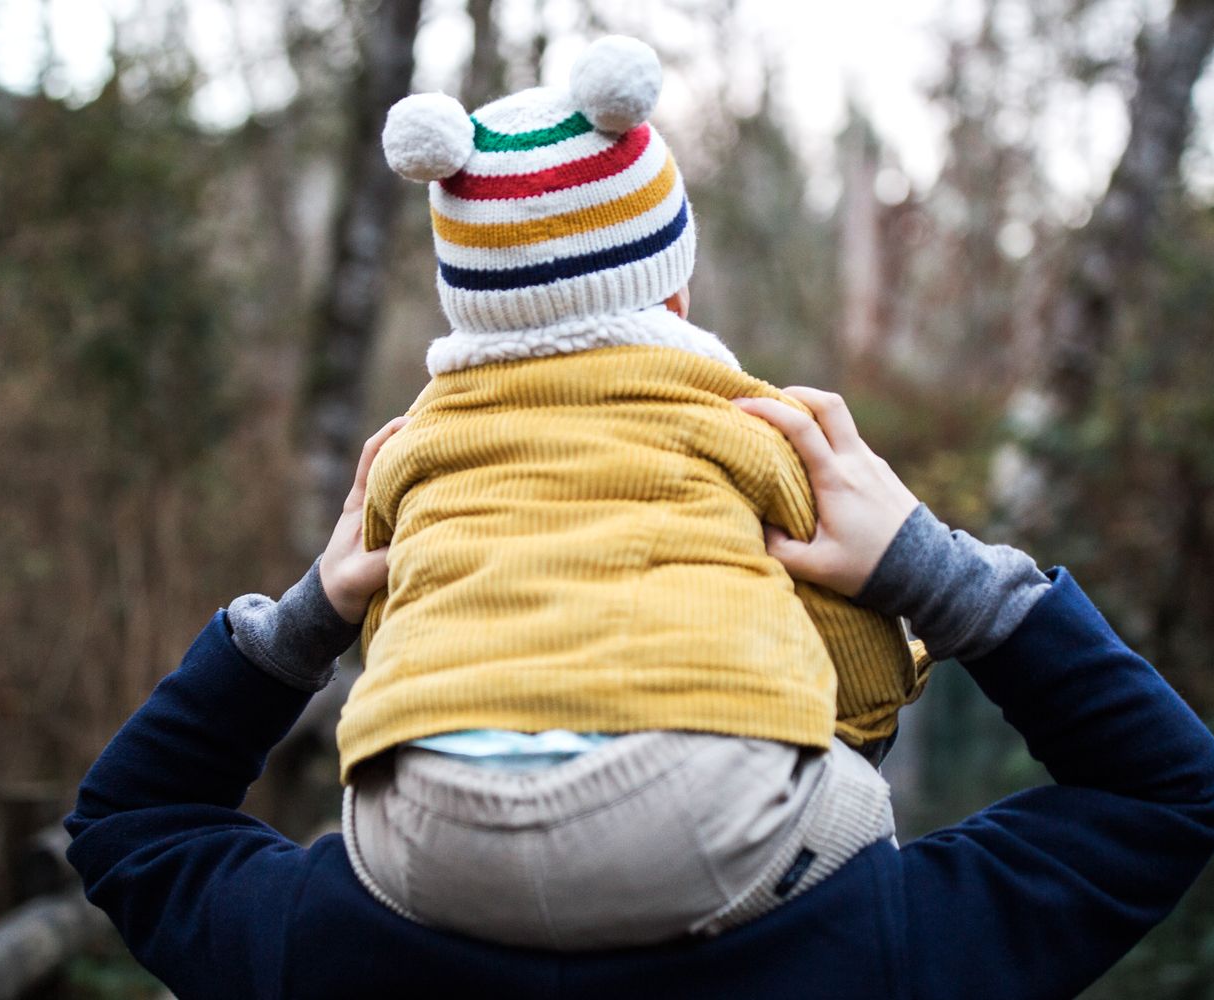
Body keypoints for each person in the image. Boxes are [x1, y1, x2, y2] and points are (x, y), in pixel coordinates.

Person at [64, 387, 1214, 999]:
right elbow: (1166, 796)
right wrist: (930, 570)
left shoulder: (318, 948)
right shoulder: (870, 953)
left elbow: (128, 821)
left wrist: (316, 606)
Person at [223, 35, 936, 949]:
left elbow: (389, 617)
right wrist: (865, 721)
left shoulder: (417, 442)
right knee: (853, 807)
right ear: (671, 293)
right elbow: (843, 624)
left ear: (466, 303)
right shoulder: (747, 419)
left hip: (424, 828)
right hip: (694, 808)